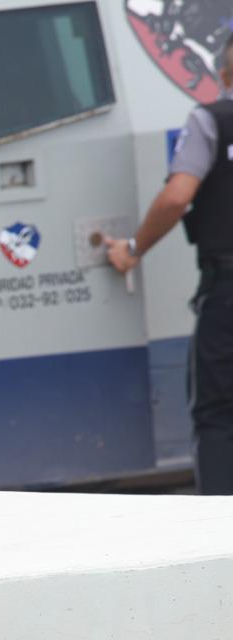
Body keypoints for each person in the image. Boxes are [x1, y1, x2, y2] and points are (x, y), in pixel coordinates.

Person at [109, 38, 233, 494]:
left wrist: (133, 248)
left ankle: (221, 542)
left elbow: (178, 196)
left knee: (218, 415)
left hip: (228, 293)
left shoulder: (213, 120)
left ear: (222, 76)